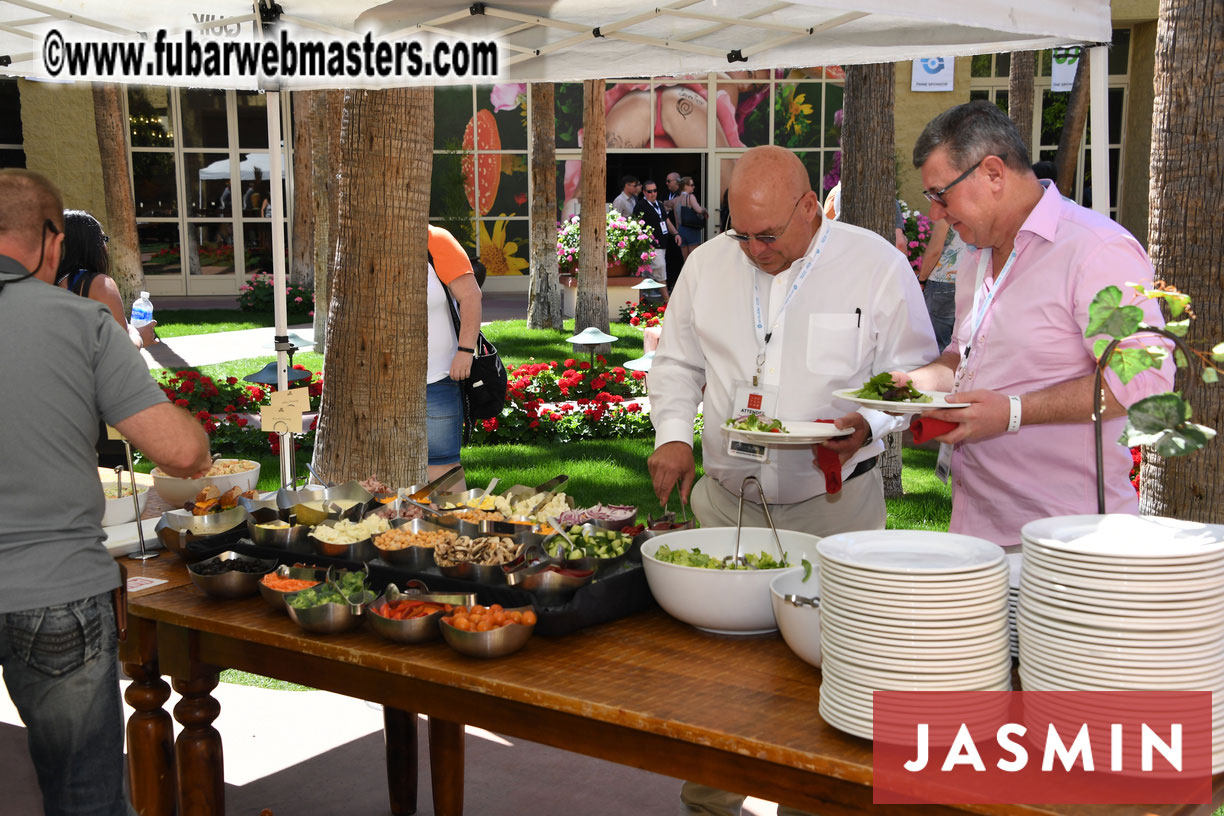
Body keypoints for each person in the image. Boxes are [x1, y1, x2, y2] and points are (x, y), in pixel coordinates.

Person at [646, 146, 938, 816]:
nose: (754, 251)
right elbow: (677, 363)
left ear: (811, 207)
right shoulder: (707, 263)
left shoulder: (876, 267)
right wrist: (670, 435)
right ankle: (712, 801)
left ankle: (814, 803)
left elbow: (915, 373)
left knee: (828, 675)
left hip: (833, 509)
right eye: (740, 234)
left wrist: (868, 421)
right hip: (726, 504)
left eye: (770, 236)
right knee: (720, 678)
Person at [0, 168, 212, 816]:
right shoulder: (83, 321)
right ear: (52, 241)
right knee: (85, 798)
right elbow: (183, 454)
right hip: (55, 590)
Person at [896, 100, 1173, 547]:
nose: (935, 216)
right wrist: (909, 385)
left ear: (992, 173)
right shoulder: (977, 251)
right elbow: (961, 357)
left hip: (1070, 543)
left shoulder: (1096, 249)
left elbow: (1145, 378)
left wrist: (1013, 413)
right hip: (978, 531)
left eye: (940, 196)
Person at [427, 224, 482, 485]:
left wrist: (465, 352)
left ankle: (452, 524)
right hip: (380, 384)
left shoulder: (435, 239)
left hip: (438, 376)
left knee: (442, 465)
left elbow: (471, 296)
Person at [56, 210, 158, 350]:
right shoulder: (99, 284)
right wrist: (138, 335)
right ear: (92, 245)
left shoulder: (47, 282)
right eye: (103, 239)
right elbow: (122, 350)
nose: (105, 247)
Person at [915, 217, 964, 351]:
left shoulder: (948, 204)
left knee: (934, 347)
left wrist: (921, 279)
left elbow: (935, 249)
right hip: (971, 280)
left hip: (943, 279)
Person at [632, 180, 680, 284]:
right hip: (651, 246)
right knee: (660, 273)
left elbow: (666, 220)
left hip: (662, 244)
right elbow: (636, 225)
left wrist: (676, 233)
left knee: (652, 273)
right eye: (650, 192)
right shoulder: (640, 206)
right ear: (644, 192)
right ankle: (667, 299)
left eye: (655, 191)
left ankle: (647, 298)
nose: (653, 193)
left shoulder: (660, 204)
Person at [674, 176, 708, 261]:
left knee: (685, 261)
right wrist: (705, 210)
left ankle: (685, 274)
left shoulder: (676, 200)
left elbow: (676, 220)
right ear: (685, 186)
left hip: (681, 230)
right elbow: (699, 210)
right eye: (692, 185)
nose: (693, 187)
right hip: (691, 230)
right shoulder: (690, 197)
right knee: (694, 260)